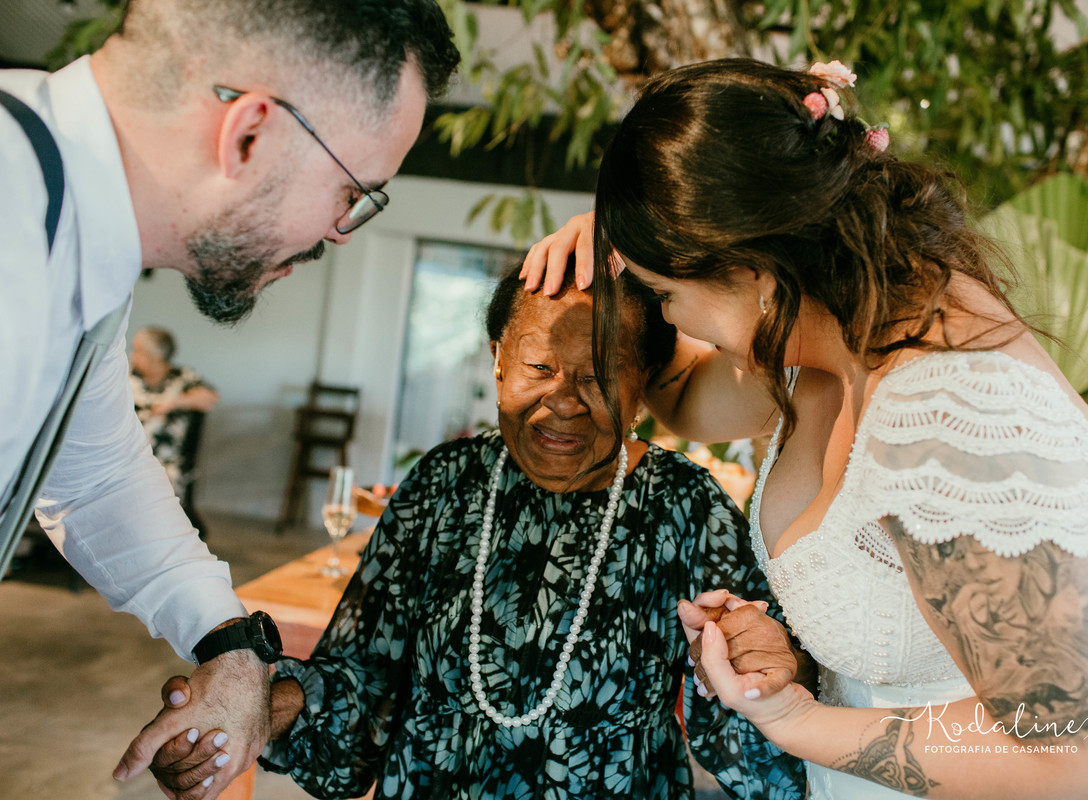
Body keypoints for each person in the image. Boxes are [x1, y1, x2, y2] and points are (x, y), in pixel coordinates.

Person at [521, 59, 1088, 799]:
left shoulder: (951, 415)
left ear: (753, 269)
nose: (668, 315)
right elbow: (688, 404)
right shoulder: (838, 327)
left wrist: (798, 719)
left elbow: (1086, 757)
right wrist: (620, 260)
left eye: (665, 294)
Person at [0, 1, 458, 796]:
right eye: (356, 192)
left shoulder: (81, 245)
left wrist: (233, 644)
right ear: (249, 134)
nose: (339, 231)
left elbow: (99, 480)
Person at [150, 261, 810, 799]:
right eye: (539, 368)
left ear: (643, 386)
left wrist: (769, 676)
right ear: (498, 360)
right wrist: (262, 708)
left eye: (599, 376)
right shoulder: (444, 485)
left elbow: (750, 723)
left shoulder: (683, 507)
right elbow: (359, 674)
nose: (564, 401)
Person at [129, 326, 220, 497]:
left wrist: (175, 402)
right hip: (127, 458)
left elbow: (211, 398)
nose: (132, 356)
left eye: (138, 351)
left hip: (167, 464)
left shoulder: (182, 378)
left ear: (156, 356)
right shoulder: (127, 376)